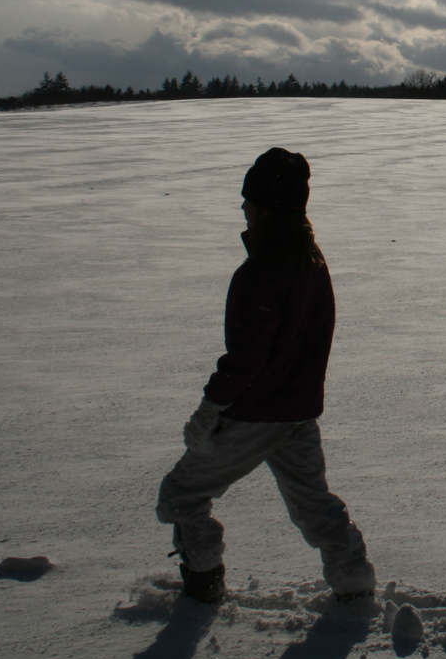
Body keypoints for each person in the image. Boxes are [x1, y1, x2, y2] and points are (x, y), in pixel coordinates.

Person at [155, 147, 377, 605]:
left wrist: (210, 409)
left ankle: (203, 585)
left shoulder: (260, 274)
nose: (242, 209)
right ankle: (354, 583)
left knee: (181, 496)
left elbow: (247, 360)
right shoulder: (312, 263)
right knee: (314, 505)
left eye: (248, 200)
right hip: (298, 415)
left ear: (266, 208)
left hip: (252, 416)